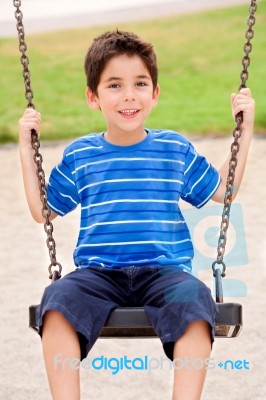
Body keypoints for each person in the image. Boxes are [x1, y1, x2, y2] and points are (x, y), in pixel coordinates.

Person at [18, 30, 255, 400]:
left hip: (165, 273)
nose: (129, 95)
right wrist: (24, 144)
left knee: (195, 300)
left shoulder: (173, 149)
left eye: (140, 83)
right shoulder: (81, 155)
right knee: (58, 302)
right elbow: (42, 210)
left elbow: (221, 191)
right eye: (114, 85)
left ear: (154, 94)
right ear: (93, 97)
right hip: (98, 274)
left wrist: (245, 127)